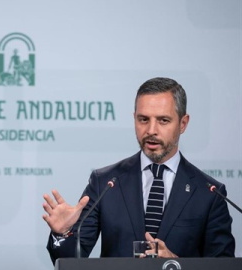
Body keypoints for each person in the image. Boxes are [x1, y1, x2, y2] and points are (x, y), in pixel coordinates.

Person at [42, 77, 235, 262]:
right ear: (134, 119)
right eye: (143, 119)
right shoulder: (105, 182)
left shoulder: (209, 193)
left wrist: (176, 264)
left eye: (163, 121)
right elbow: (71, 260)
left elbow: (222, 265)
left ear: (183, 124)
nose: (151, 130)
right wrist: (63, 233)